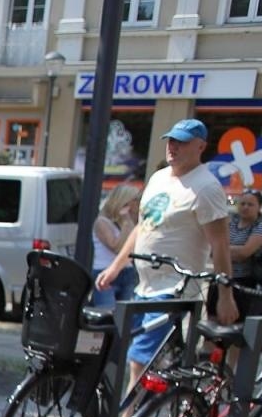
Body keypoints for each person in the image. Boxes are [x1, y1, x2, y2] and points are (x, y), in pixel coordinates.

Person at [97, 119, 239, 393]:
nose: (173, 147)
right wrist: (116, 266)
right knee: (134, 353)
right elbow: (143, 225)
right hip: (145, 284)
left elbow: (220, 246)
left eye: (181, 142)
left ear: (200, 147)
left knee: (141, 356)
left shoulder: (206, 188)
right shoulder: (159, 178)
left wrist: (225, 295)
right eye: (171, 140)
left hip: (174, 288)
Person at [90, 184, 140, 309]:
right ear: (125, 201)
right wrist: (126, 221)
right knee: (108, 313)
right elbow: (116, 247)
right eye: (135, 200)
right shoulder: (102, 222)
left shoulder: (131, 221)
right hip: (105, 271)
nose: (137, 204)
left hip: (127, 272)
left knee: (124, 318)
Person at [228, 190, 262, 286]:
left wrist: (221, 249)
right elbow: (213, 249)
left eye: (250, 204)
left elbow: (244, 253)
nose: (245, 207)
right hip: (223, 276)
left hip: (246, 281)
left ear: (259, 207)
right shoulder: (231, 222)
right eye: (242, 204)